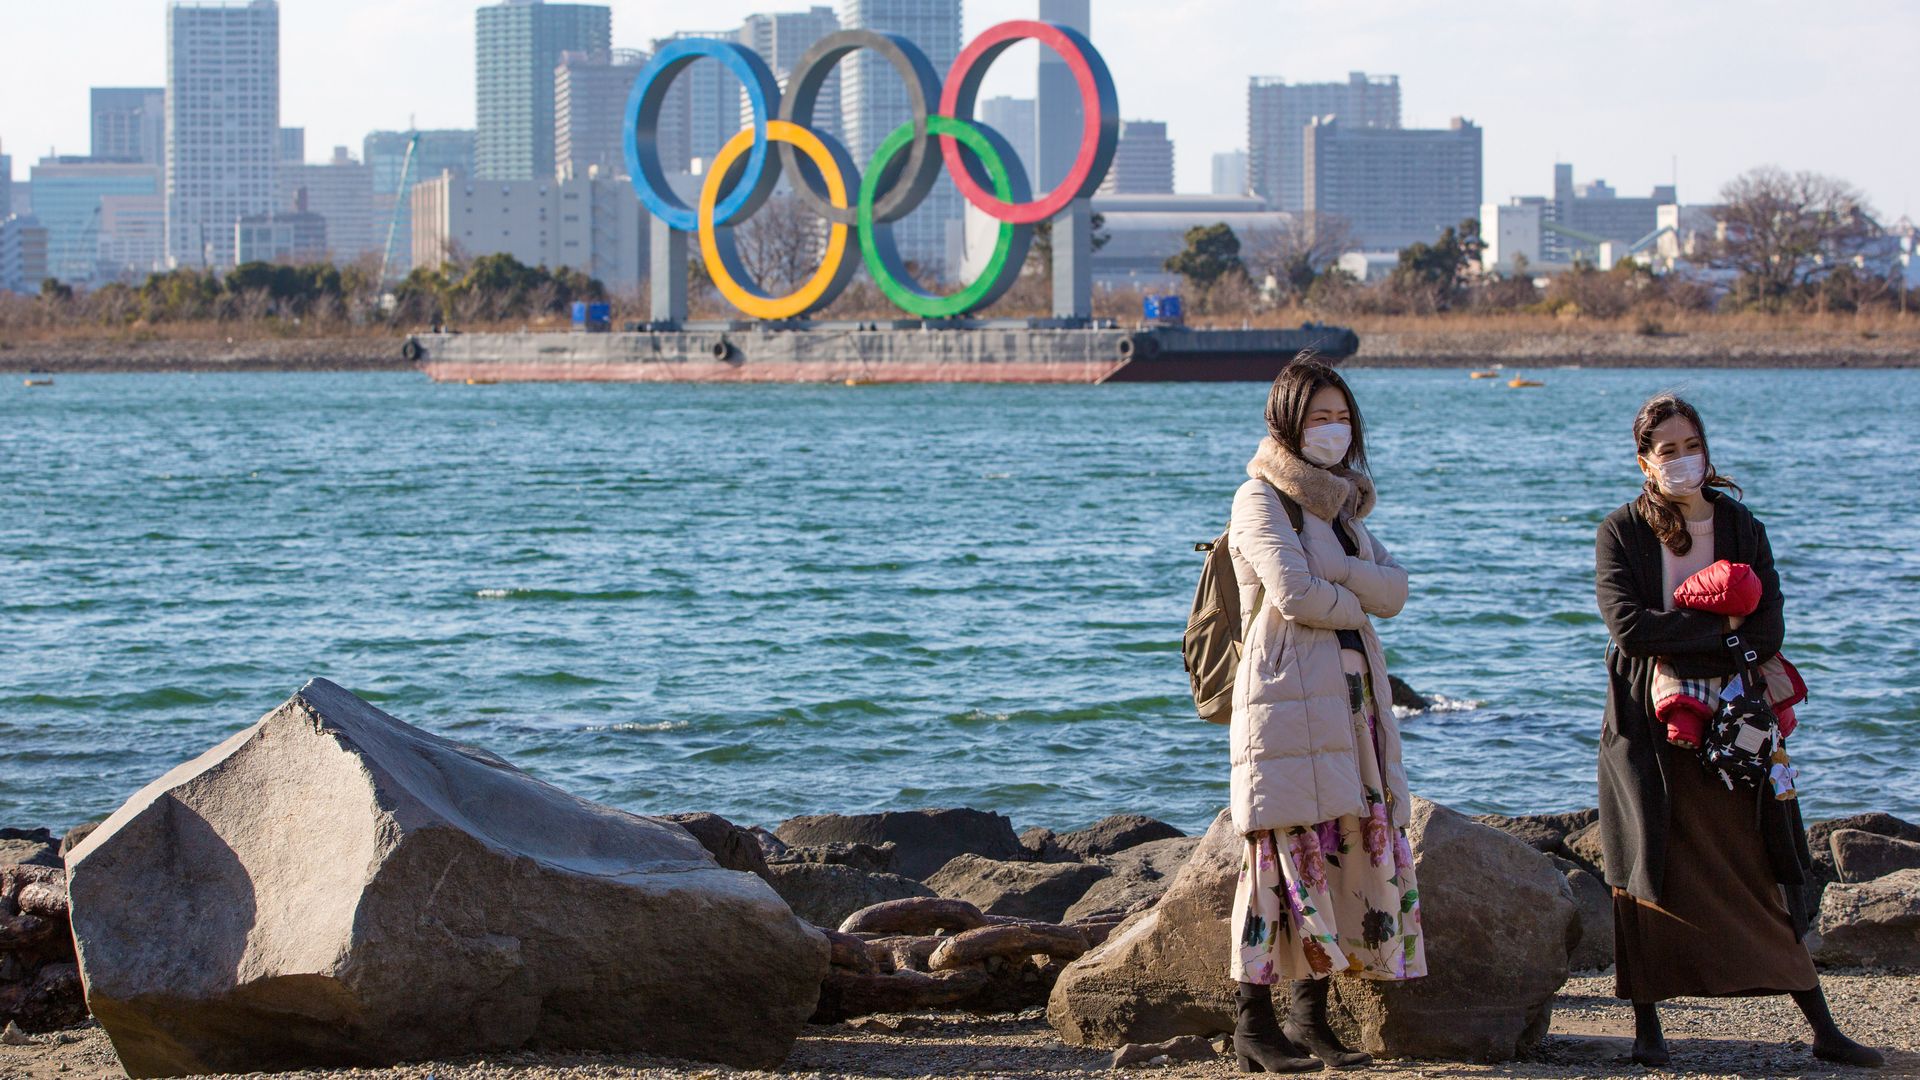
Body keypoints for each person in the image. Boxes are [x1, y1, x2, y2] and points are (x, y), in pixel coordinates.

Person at [1594, 393, 1883, 1069]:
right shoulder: (1620, 531)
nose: (1682, 460)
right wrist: (1723, 635)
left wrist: (1712, 644)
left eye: (1691, 445)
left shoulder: (1741, 526)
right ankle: (1648, 1032)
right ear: (1644, 461)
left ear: (1706, 451)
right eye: (1667, 450)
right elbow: (1630, 630)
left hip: (1740, 722)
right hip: (1647, 722)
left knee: (1758, 864)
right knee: (1645, 866)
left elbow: (1769, 628)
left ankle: (1823, 1027)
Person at [1224, 359, 1424, 1073]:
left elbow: (1396, 592)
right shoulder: (1259, 499)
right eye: (1318, 417)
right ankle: (1252, 1024)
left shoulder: (1340, 509)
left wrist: (1336, 576)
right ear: (1286, 422)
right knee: (1279, 853)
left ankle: (1311, 1020)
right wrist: (1349, 591)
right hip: (1286, 701)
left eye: (1341, 416)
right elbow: (1294, 596)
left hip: (1352, 702)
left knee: (1336, 846)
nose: (1332, 429)